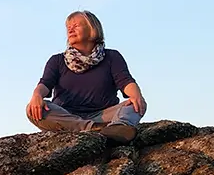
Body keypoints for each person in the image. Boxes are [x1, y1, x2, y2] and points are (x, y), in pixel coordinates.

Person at [25, 10, 147, 143]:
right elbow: (45, 84)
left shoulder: (112, 56)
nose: (70, 29)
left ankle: (119, 127)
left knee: (136, 104)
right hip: (68, 116)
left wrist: (136, 95)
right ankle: (94, 129)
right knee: (33, 109)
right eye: (68, 27)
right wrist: (37, 95)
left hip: (104, 115)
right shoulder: (57, 60)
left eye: (76, 25)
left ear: (92, 29)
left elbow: (125, 81)